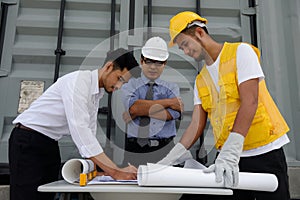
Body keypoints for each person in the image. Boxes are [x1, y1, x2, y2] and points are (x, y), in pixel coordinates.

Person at [158, 11, 290, 200]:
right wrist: (170, 158)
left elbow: (250, 101)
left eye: (185, 44)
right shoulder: (200, 80)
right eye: (182, 48)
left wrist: (231, 151)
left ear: (199, 33)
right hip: (228, 160)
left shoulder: (241, 53)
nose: (186, 52)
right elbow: (196, 124)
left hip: (264, 152)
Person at [9, 48, 140, 200]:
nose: (119, 86)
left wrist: (104, 172)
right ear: (109, 67)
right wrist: (116, 172)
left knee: (45, 196)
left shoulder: (96, 94)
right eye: (120, 79)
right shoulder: (78, 82)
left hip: (49, 144)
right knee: (26, 196)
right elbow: (81, 134)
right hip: (27, 141)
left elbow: (90, 136)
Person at [121, 37, 183, 166]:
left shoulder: (172, 88)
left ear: (164, 64)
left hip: (165, 149)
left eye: (159, 63)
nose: (153, 67)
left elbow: (170, 115)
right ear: (142, 61)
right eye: (149, 62)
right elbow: (134, 108)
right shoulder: (130, 85)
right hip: (135, 150)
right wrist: (168, 102)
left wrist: (140, 110)